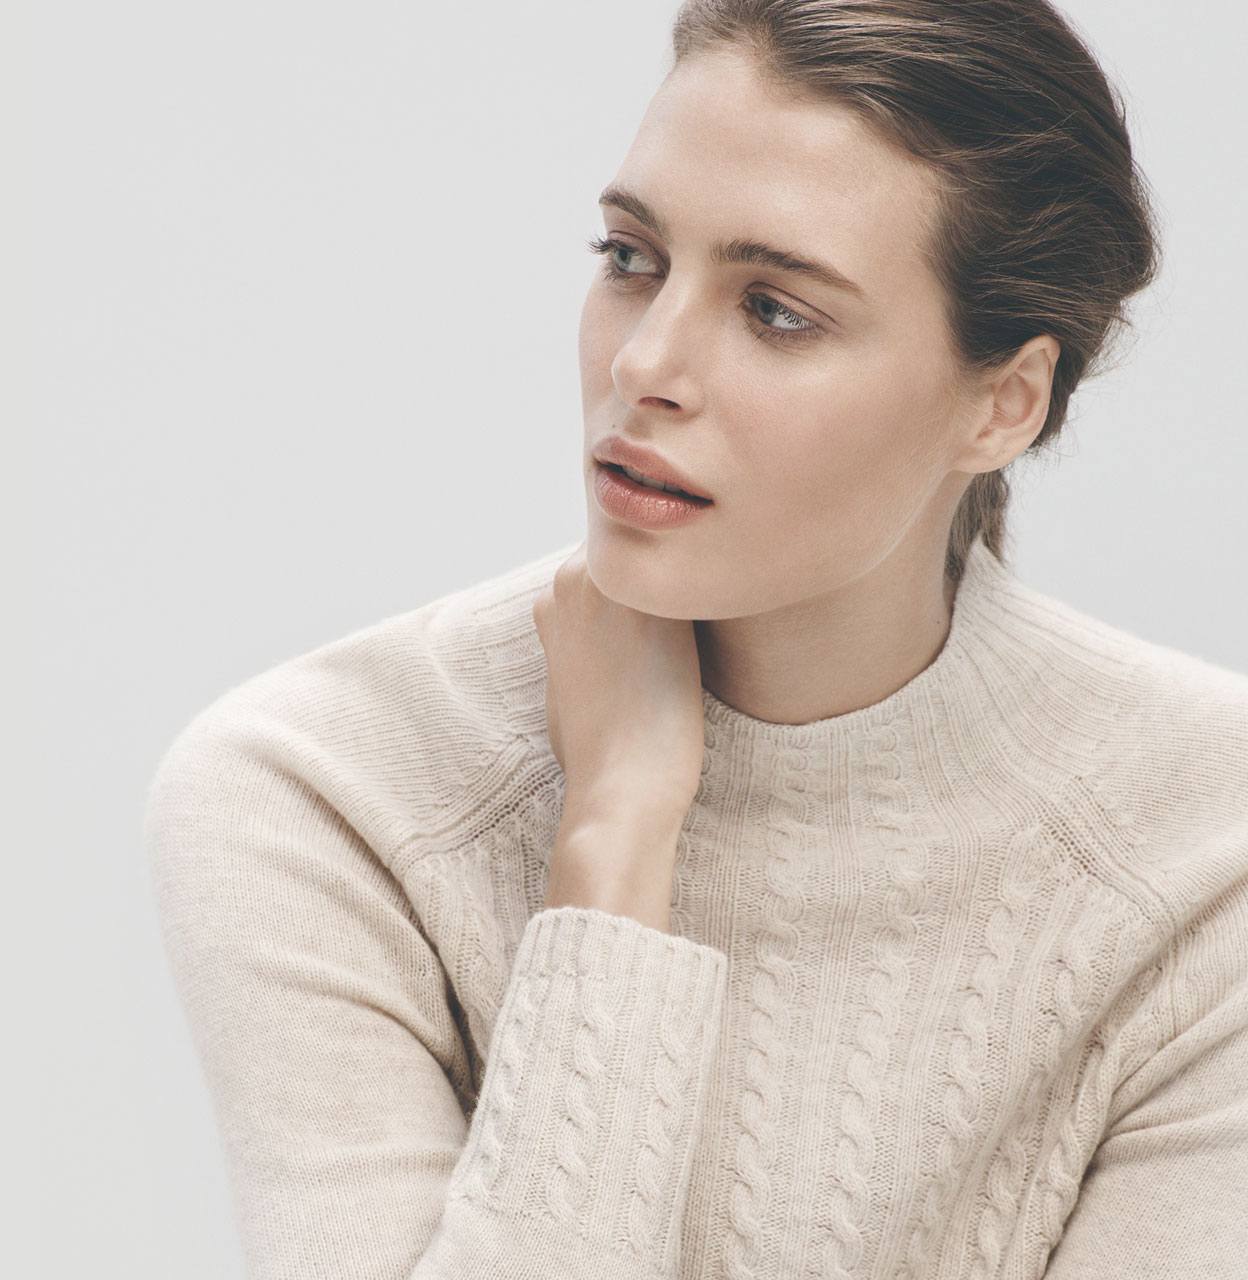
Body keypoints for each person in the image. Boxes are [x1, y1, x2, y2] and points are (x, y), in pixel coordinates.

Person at [143, 2, 1248, 1276]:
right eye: (631, 257)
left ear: (1004, 401)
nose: (646, 364)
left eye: (776, 310)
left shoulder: (1203, 851)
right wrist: (614, 840)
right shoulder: (324, 794)